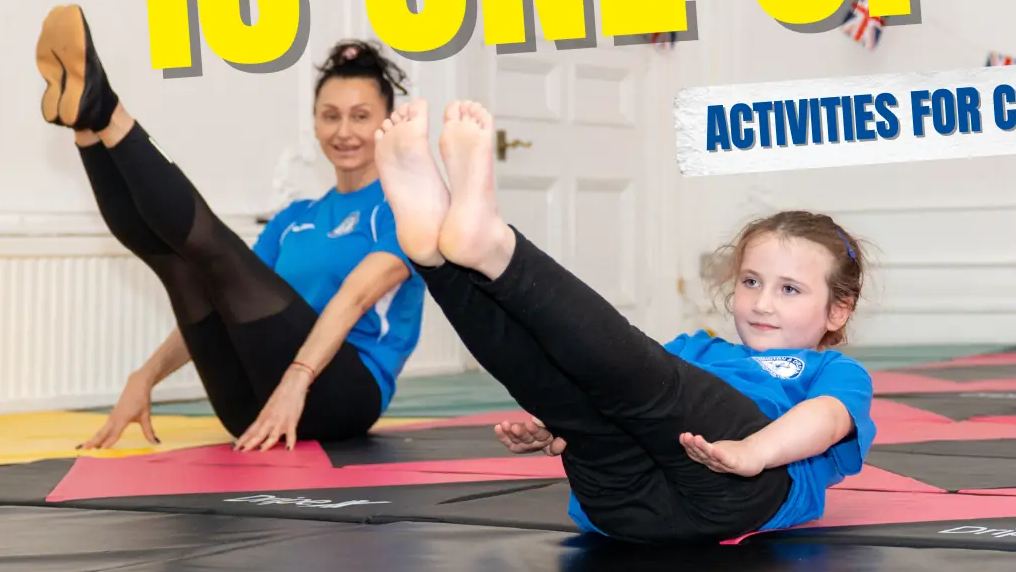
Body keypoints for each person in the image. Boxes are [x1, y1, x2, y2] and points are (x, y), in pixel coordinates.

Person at [372, 98, 876, 544]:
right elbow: (612, 382)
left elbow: (825, 420)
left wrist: (755, 452)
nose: (762, 302)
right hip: (621, 507)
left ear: (838, 309)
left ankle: (496, 247)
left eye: (789, 289)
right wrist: (556, 427)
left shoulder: (834, 371)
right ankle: (434, 258)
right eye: (751, 281)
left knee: (646, 379)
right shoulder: (698, 350)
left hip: (737, 490)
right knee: (567, 388)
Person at [33, 5, 426, 452]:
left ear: (386, 123)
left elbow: (353, 299)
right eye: (330, 115)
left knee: (214, 251)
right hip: (250, 410)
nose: (343, 131)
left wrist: (297, 379)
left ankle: (106, 111)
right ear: (315, 122)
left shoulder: (404, 209)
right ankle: (87, 128)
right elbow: (227, 297)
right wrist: (145, 377)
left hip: (339, 398)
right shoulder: (294, 218)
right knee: (183, 267)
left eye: (360, 116)